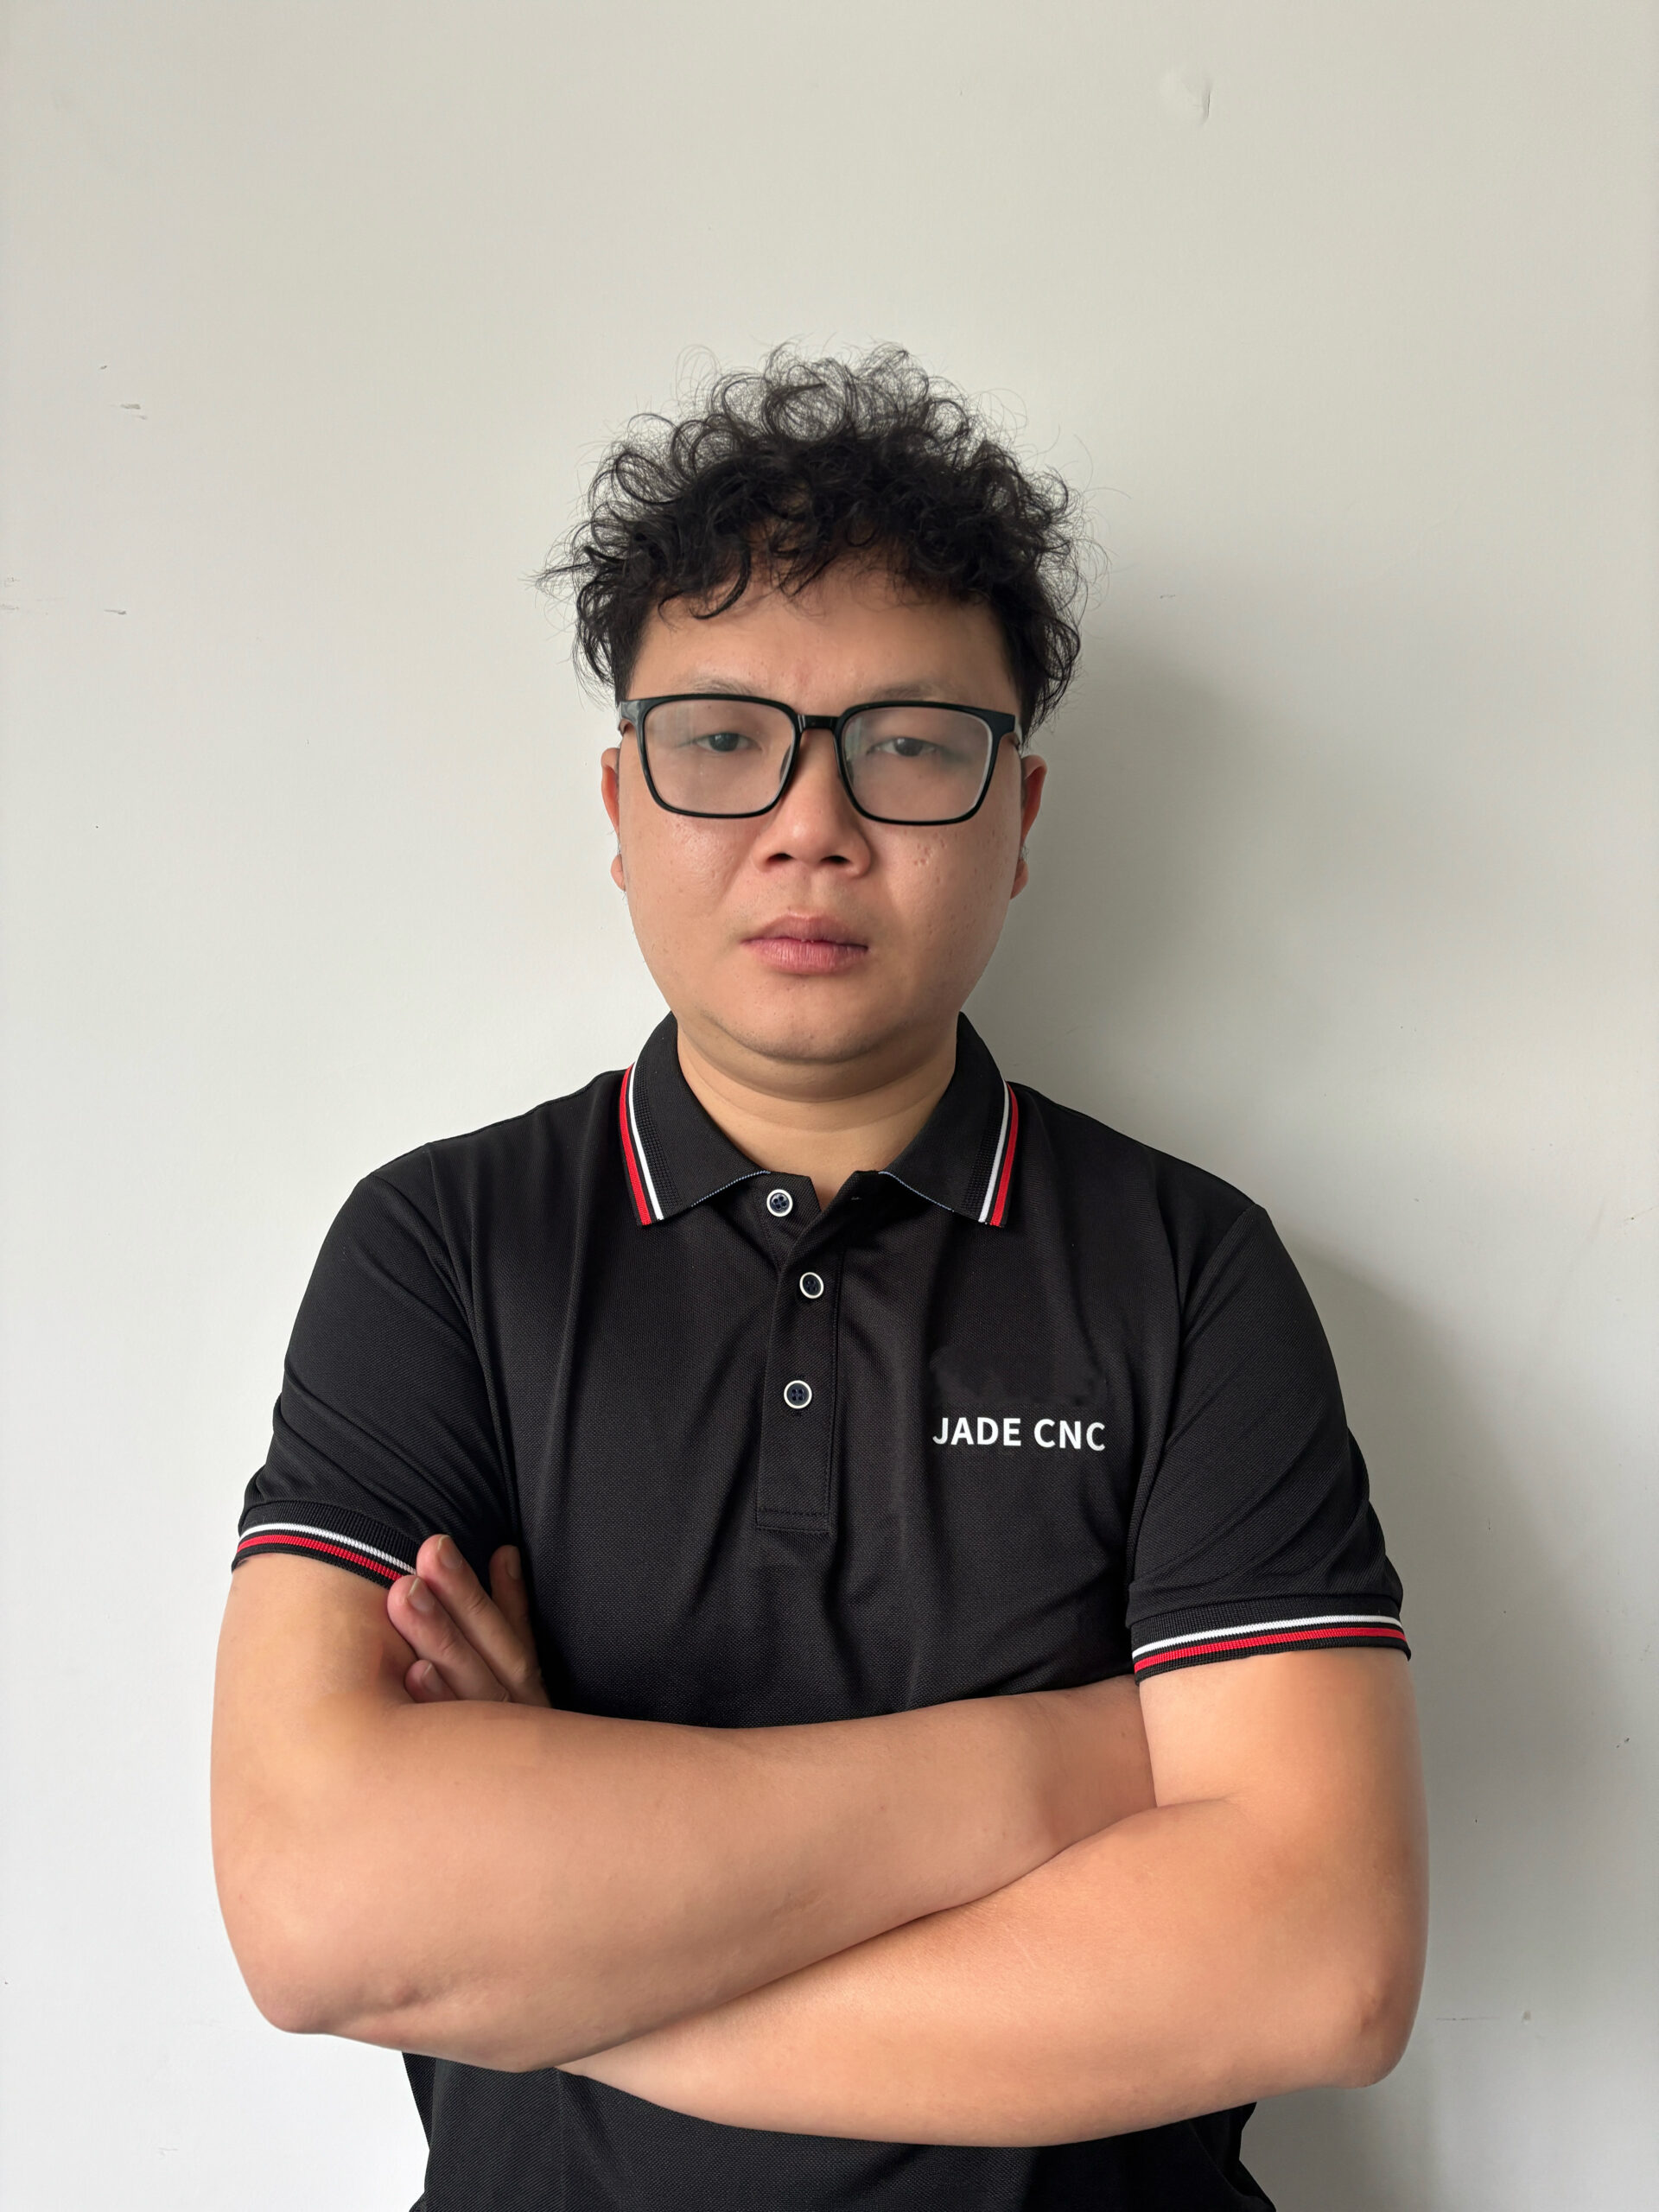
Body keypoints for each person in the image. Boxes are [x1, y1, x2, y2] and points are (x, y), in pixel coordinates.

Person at [211, 349, 1427, 2212]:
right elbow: (321, 1910)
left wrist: (552, 1952)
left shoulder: (1190, 1270)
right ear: (620, 802)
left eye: (909, 745)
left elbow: (1315, 1963)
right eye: (721, 741)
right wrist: (1062, 1766)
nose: (811, 823)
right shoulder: (443, 1246)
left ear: (1020, 814)